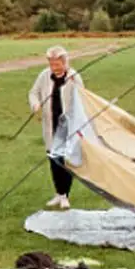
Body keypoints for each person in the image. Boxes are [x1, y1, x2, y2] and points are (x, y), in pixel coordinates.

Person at [28, 46, 84, 210]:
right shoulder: (44, 76)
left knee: (64, 160)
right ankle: (58, 193)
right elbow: (33, 92)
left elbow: (83, 99)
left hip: (68, 126)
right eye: (51, 64)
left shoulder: (74, 77)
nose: (54, 67)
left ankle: (65, 194)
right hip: (50, 124)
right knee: (53, 159)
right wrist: (35, 104)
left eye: (57, 64)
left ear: (65, 63)